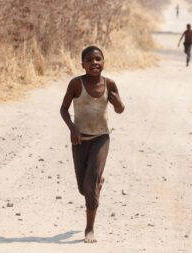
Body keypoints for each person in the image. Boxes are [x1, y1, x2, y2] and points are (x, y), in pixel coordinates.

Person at [60, 46, 125, 243]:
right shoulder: (76, 84)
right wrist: (72, 128)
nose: (94, 63)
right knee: (83, 188)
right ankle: (97, 184)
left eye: (98, 59)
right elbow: (63, 109)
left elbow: (120, 110)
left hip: (101, 139)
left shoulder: (110, 83)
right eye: (89, 60)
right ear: (83, 65)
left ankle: (89, 228)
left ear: (103, 62)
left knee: (90, 185)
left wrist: (116, 102)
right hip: (80, 141)